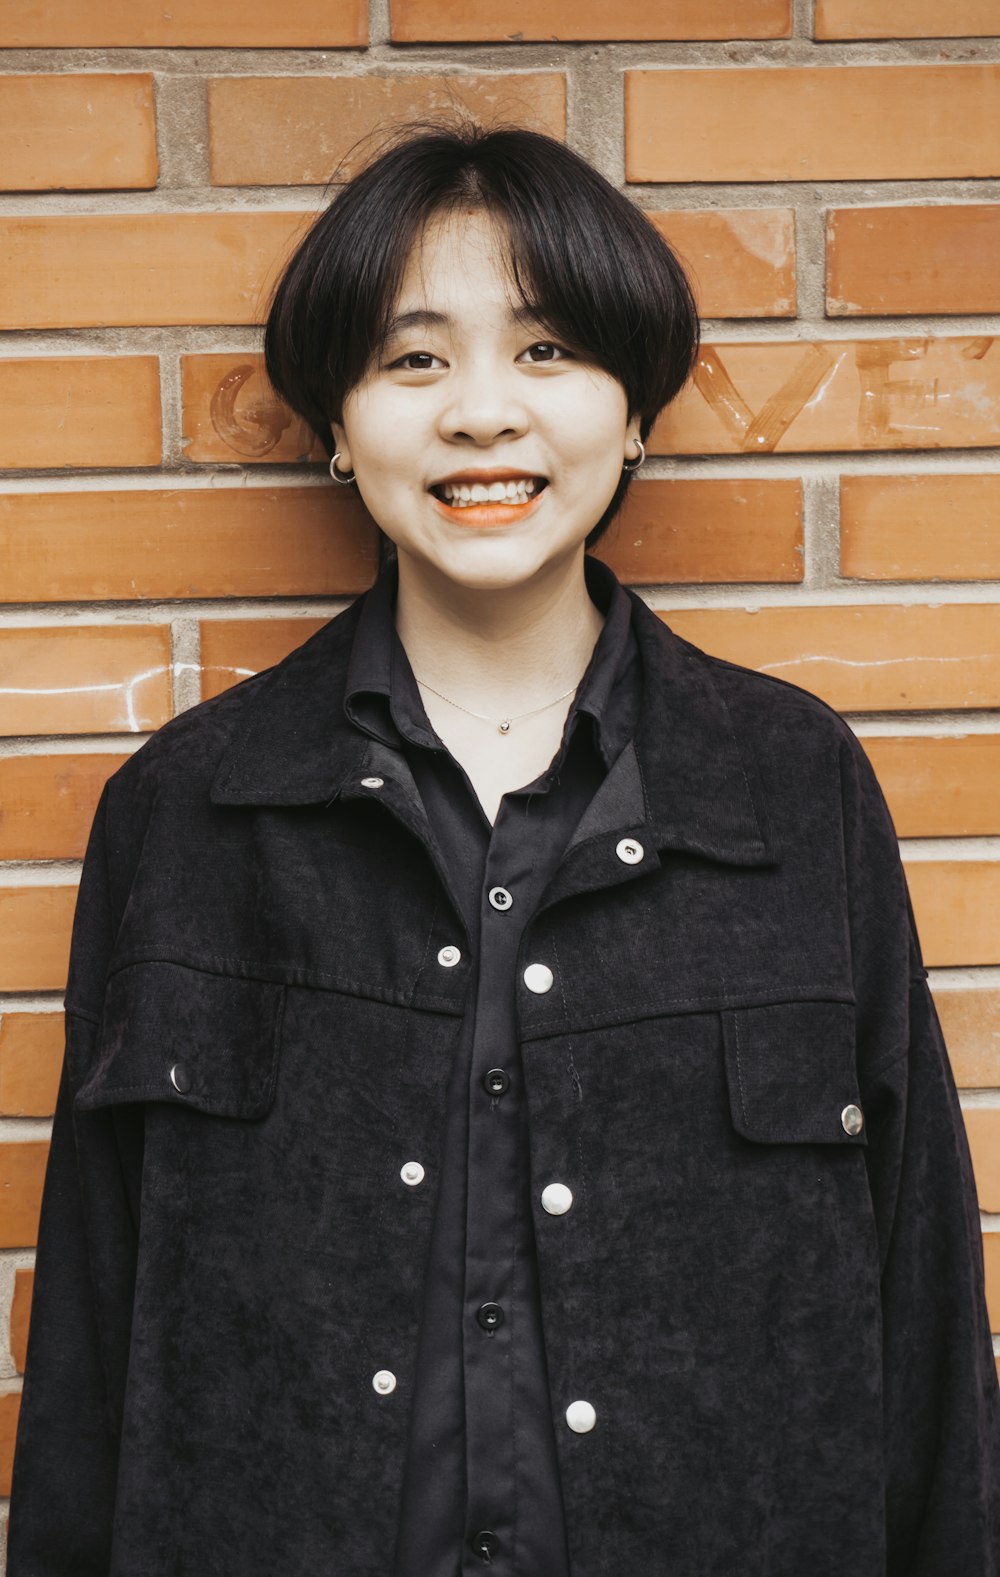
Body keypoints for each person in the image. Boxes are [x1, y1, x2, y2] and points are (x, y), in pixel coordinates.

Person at [8, 121, 998, 1577]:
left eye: (546, 352)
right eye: (415, 360)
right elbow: (94, 1330)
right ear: (339, 424)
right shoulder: (188, 809)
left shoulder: (794, 791)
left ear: (638, 410)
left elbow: (921, 1308)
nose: (483, 414)